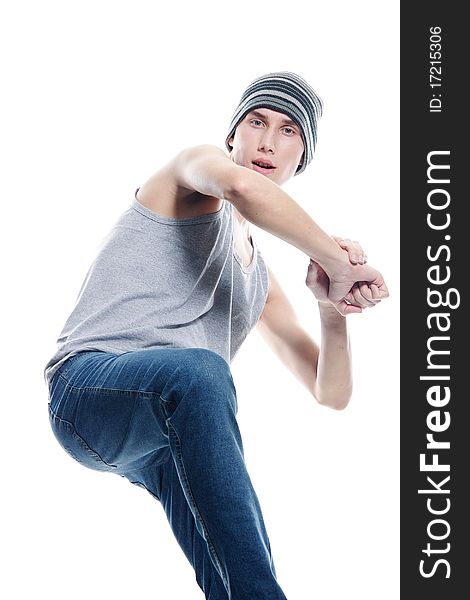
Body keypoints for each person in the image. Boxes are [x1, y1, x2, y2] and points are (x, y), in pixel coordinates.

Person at [44, 72, 389, 599]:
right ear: (233, 137)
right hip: (88, 388)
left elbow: (330, 392)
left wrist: (331, 304)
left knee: (229, 580)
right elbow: (242, 188)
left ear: (303, 159)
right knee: (203, 374)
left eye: (290, 131)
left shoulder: (258, 280)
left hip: (159, 447)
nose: (269, 140)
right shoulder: (193, 169)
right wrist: (334, 257)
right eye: (257, 122)